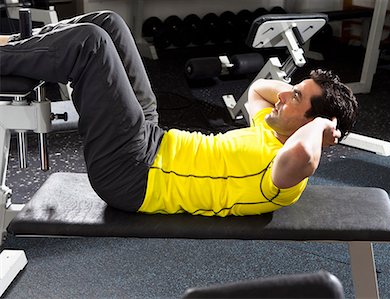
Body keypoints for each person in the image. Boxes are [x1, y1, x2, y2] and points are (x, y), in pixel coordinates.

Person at [0, 11, 358, 217]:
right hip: (151, 139)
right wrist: (297, 102)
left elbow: (306, 154)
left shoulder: (284, 176)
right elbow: (261, 92)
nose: (283, 93)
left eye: (296, 96)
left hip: (133, 173)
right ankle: (16, 44)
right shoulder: (271, 130)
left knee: (91, 44)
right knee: (110, 24)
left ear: (312, 124)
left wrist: (325, 123)